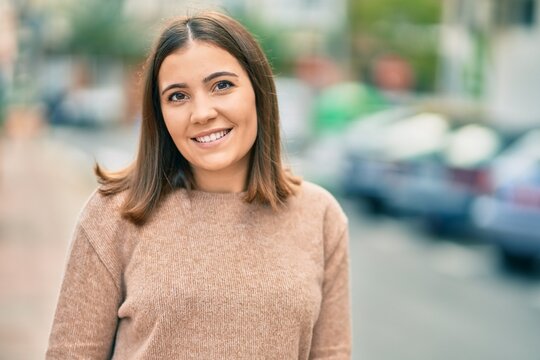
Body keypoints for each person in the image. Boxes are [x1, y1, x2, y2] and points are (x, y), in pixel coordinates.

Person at [46, 11, 351, 359]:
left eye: (222, 85)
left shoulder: (320, 216)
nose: (202, 112)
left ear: (258, 90)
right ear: (159, 114)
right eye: (178, 96)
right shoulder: (114, 214)